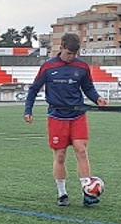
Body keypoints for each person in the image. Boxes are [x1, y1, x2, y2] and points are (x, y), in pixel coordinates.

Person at [24, 33, 109, 207]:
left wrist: (97, 99)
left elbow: (88, 88)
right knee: (60, 155)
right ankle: (62, 193)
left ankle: (88, 193)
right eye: (69, 53)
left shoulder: (82, 67)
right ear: (61, 47)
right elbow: (33, 89)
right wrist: (28, 110)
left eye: (74, 54)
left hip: (78, 115)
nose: (71, 57)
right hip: (57, 117)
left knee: (81, 150)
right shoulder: (48, 67)